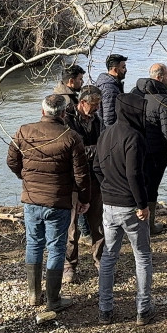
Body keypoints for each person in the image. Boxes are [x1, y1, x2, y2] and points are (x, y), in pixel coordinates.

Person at [6, 94, 91, 313]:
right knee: (56, 247)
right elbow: (81, 174)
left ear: (42, 111)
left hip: (32, 199)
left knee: (34, 243)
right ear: (64, 114)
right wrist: (84, 199)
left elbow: (12, 161)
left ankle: (34, 295)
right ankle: (53, 299)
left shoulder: (24, 131)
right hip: (58, 200)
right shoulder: (71, 137)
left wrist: (26, 177)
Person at [93, 94, 155, 325]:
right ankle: (143, 308)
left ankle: (105, 309)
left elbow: (96, 167)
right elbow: (134, 174)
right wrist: (142, 205)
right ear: (133, 112)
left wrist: (106, 187)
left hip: (108, 205)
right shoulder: (134, 137)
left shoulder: (105, 133)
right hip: (130, 207)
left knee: (109, 257)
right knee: (142, 256)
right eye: (141, 111)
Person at [64, 86, 105, 284]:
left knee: (98, 224)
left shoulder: (97, 121)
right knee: (72, 228)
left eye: (99, 104)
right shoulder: (67, 120)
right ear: (82, 103)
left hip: (95, 178)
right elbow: (75, 150)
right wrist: (99, 150)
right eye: (94, 105)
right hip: (73, 180)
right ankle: (69, 266)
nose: (97, 108)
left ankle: (100, 262)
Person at [131, 63, 167, 234]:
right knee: (152, 187)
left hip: (136, 147)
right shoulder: (162, 99)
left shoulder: (135, 93)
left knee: (137, 183)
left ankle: (134, 222)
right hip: (156, 151)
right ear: (159, 77)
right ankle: (148, 225)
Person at [94, 54, 128, 126]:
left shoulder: (111, 84)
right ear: (115, 70)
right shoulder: (110, 89)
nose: (126, 70)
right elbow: (109, 118)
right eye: (123, 67)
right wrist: (111, 135)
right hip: (109, 132)